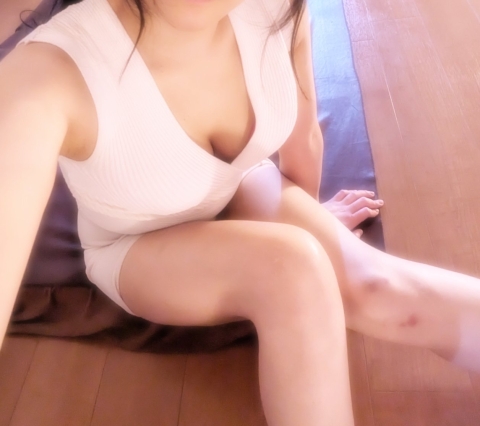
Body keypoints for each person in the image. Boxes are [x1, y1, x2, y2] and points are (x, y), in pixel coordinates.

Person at [0, 0, 479, 425]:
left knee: (374, 285)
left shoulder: (277, 9)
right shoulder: (46, 74)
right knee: (294, 269)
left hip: (236, 183)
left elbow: (304, 140)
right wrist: (298, 251)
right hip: (133, 244)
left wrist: (312, 220)